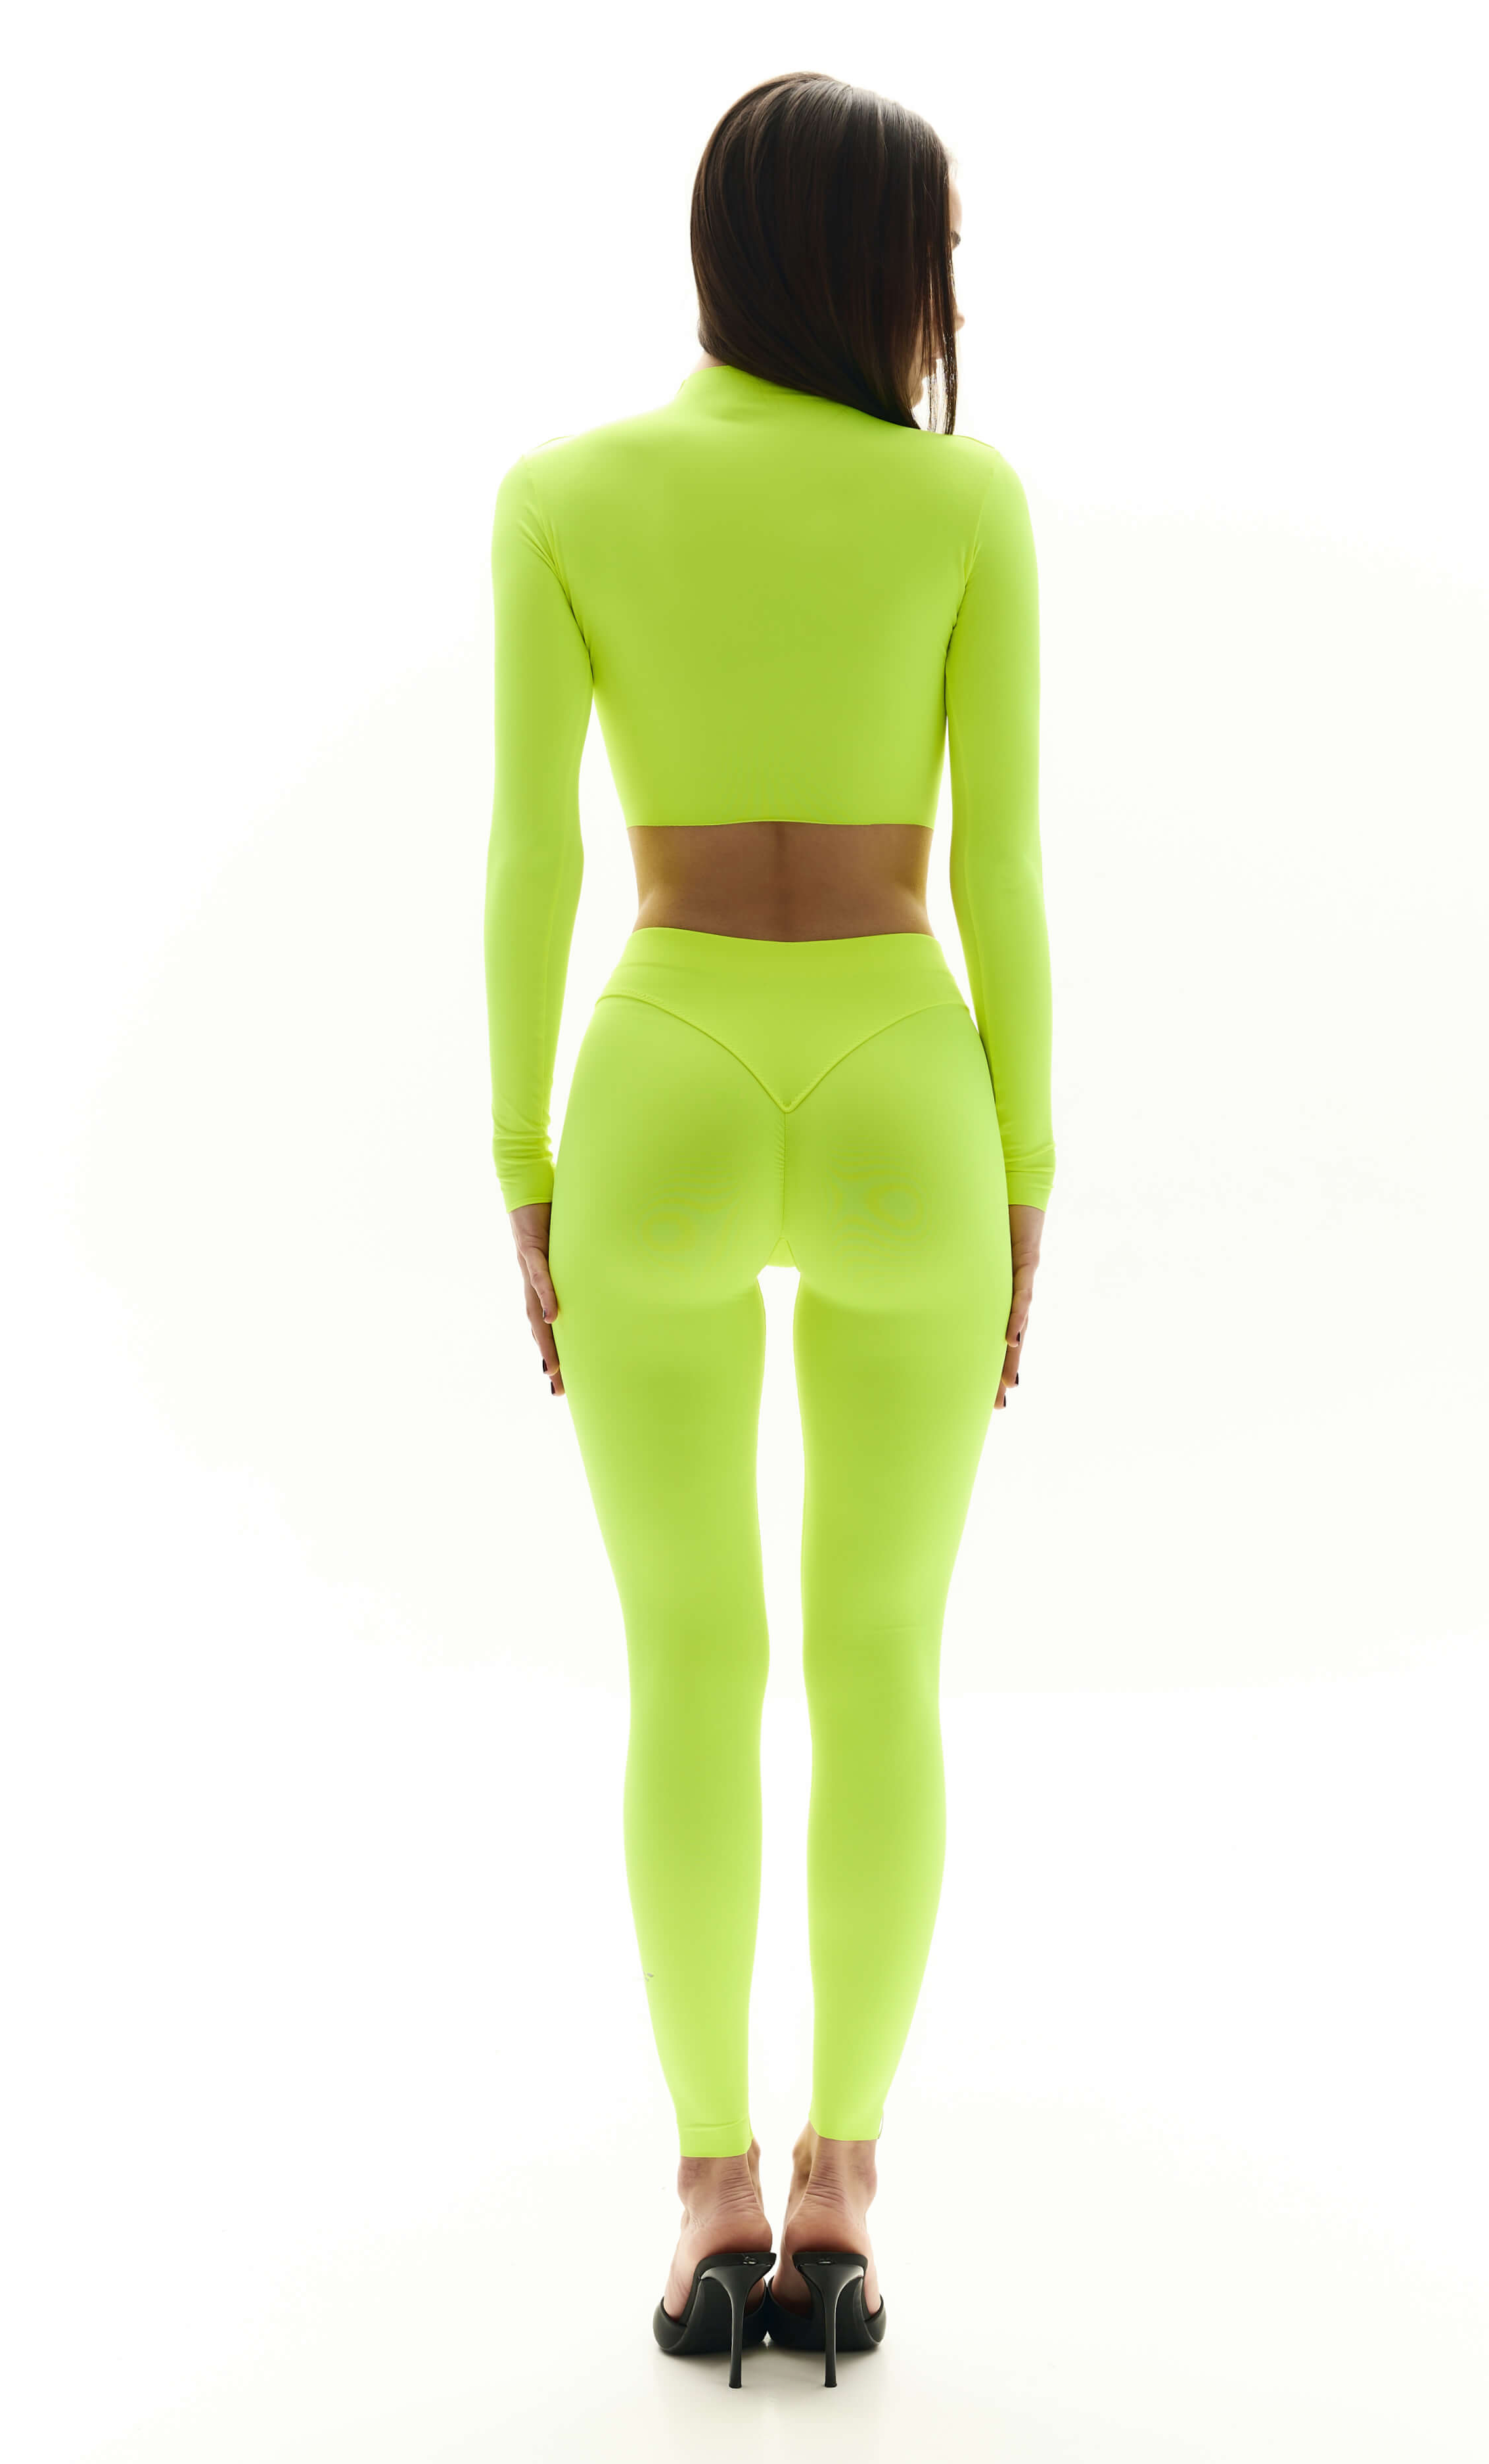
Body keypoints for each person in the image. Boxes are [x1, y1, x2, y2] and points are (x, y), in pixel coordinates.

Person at [484, 72, 1055, 2387]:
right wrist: (1025, 1172)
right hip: (908, 1080)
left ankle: (710, 2191)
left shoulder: (564, 497)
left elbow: (531, 856)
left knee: (689, 1663)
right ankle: (843, 2188)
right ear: (885, 269)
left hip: (662, 1085)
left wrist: (522, 1168)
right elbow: (1001, 863)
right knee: (880, 1657)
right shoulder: (964, 503)